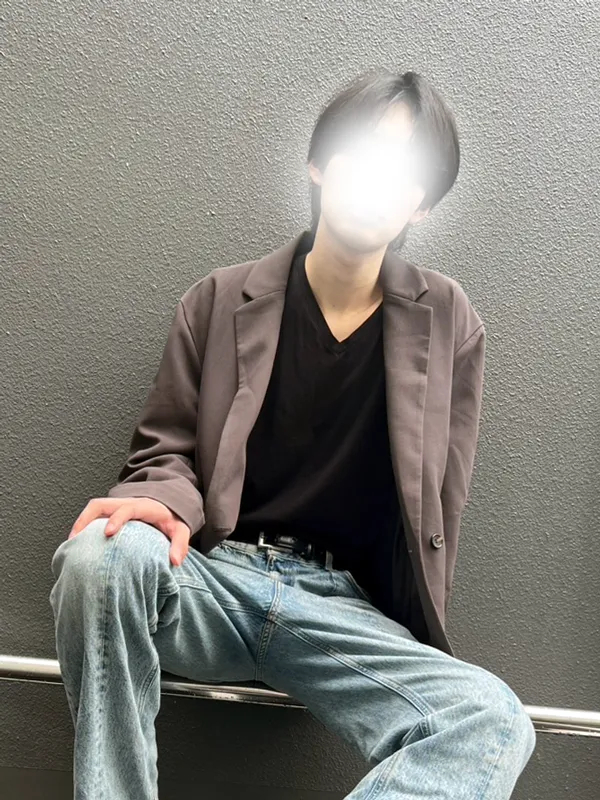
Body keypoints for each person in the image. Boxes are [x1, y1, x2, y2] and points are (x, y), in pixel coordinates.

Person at [49, 68, 536, 799]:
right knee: (100, 555)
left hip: (342, 612)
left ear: (422, 201)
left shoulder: (449, 321)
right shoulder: (220, 298)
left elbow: (442, 497)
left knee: (492, 718)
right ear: (318, 162)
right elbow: (165, 448)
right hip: (214, 580)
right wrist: (160, 502)